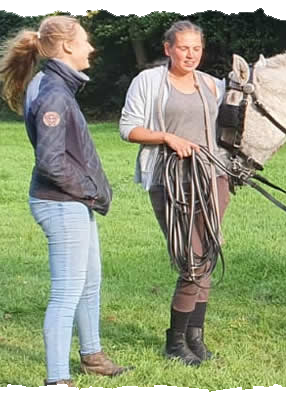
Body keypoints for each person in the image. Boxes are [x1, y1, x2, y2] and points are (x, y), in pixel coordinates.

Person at [0, 15, 130, 386]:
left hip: (72, 201)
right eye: (84, 41)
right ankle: (57, 380)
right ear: (66, 46)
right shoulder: (52, 92)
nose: (91, 48)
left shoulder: (51, 85)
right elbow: (51, 162)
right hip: (62, 202)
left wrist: (88, 193)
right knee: (67, 291)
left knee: (89, 281)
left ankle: (92, 355)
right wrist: (91, 190)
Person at [118, 20, 229, 367]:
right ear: (168, 49)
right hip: (171, 181)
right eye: (183, 48)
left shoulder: (212, 85)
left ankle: (195, 337)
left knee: (208, 252)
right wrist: (167, 138)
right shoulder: (148, 82)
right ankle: (175, 341)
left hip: (212, 178)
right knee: (192, 259)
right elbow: (128, 129)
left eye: (196, 48)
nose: (191, 55)